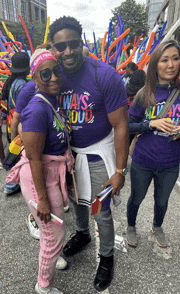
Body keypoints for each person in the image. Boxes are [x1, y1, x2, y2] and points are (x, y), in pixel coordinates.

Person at [50, 16, 129, 291]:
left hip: (96, 156)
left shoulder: (104, 75)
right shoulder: (52, 75)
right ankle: (82, 235)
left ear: (81, 42)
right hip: (68, 156)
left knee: (100, 211)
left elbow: (121, 125)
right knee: (77, 201)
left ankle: (106, 258)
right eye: (61, 46)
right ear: (53, 48)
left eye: (73, 43)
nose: (68, 51)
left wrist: (119, 171)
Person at [6, 49, 72, 294]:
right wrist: (42, 199)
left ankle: (52, 255)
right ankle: (43, 286)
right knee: (53, 233)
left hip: (50, 173)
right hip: (38, 178)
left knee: (53, 230)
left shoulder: (51, 100)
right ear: (34, 78)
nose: (54, 77)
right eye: (46, 73)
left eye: (57, 71)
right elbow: (34, 158)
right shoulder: (36, 109)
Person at [126, 40, 180, 248]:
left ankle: (157, 226)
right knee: (136, 198)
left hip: (171, 162)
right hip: (143, 159)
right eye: (165, 60)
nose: (171, 65)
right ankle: (131, 226)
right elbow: (129, 126)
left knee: (162, 201)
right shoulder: (144, 93)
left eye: (175, 58)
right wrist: (151, 123)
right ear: (156, 64)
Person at [3, 52, 30, 195]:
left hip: (11, 120)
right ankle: (11, 184)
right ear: (27, 69)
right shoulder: (22, 85)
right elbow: (22, 111)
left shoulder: (13, 81)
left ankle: (12, 182)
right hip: (18, 123)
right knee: (19, 154)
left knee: (16, 153)